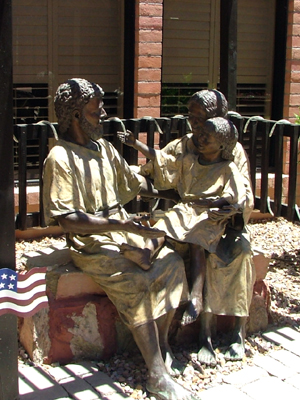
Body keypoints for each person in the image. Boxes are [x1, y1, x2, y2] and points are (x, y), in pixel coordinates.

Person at [42, 78, 198, 400]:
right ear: (75, 116)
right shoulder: (59, 159)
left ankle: (162, 345)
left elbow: (135, 183)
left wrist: (178, 196)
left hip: (122, 232)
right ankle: (156, 375)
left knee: (170, 262)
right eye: (95, 112)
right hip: (92, 244)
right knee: (134, 279)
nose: (103, 116)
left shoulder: (105, 149)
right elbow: (68, 220)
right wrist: (119, 224)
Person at [125, 89, 256, 366]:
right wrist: (125, 176)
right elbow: (154, 168)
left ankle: (237, 331)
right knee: (181, 240)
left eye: (201, 119)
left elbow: (243, 194)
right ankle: (204, 335)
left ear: (217, 120)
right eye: (191, 118)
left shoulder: (232, 151)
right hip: (188, 217)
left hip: (225, 224)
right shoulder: (184, 146)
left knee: (239, 252)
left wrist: (231, 209)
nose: (195, 126)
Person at [118, 117, 246, 329]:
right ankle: (146, 254)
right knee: (162, 226)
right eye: (201, 134)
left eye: (208, 137)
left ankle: (196, 296)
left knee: (196, 239)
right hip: (186, 209)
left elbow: (237, 196)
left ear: (222, 145)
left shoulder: (228, 168)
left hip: (207, 215)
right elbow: (162, 159)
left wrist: (222, 206)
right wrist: (135, 144)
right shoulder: (190, 160)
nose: (201, 139)